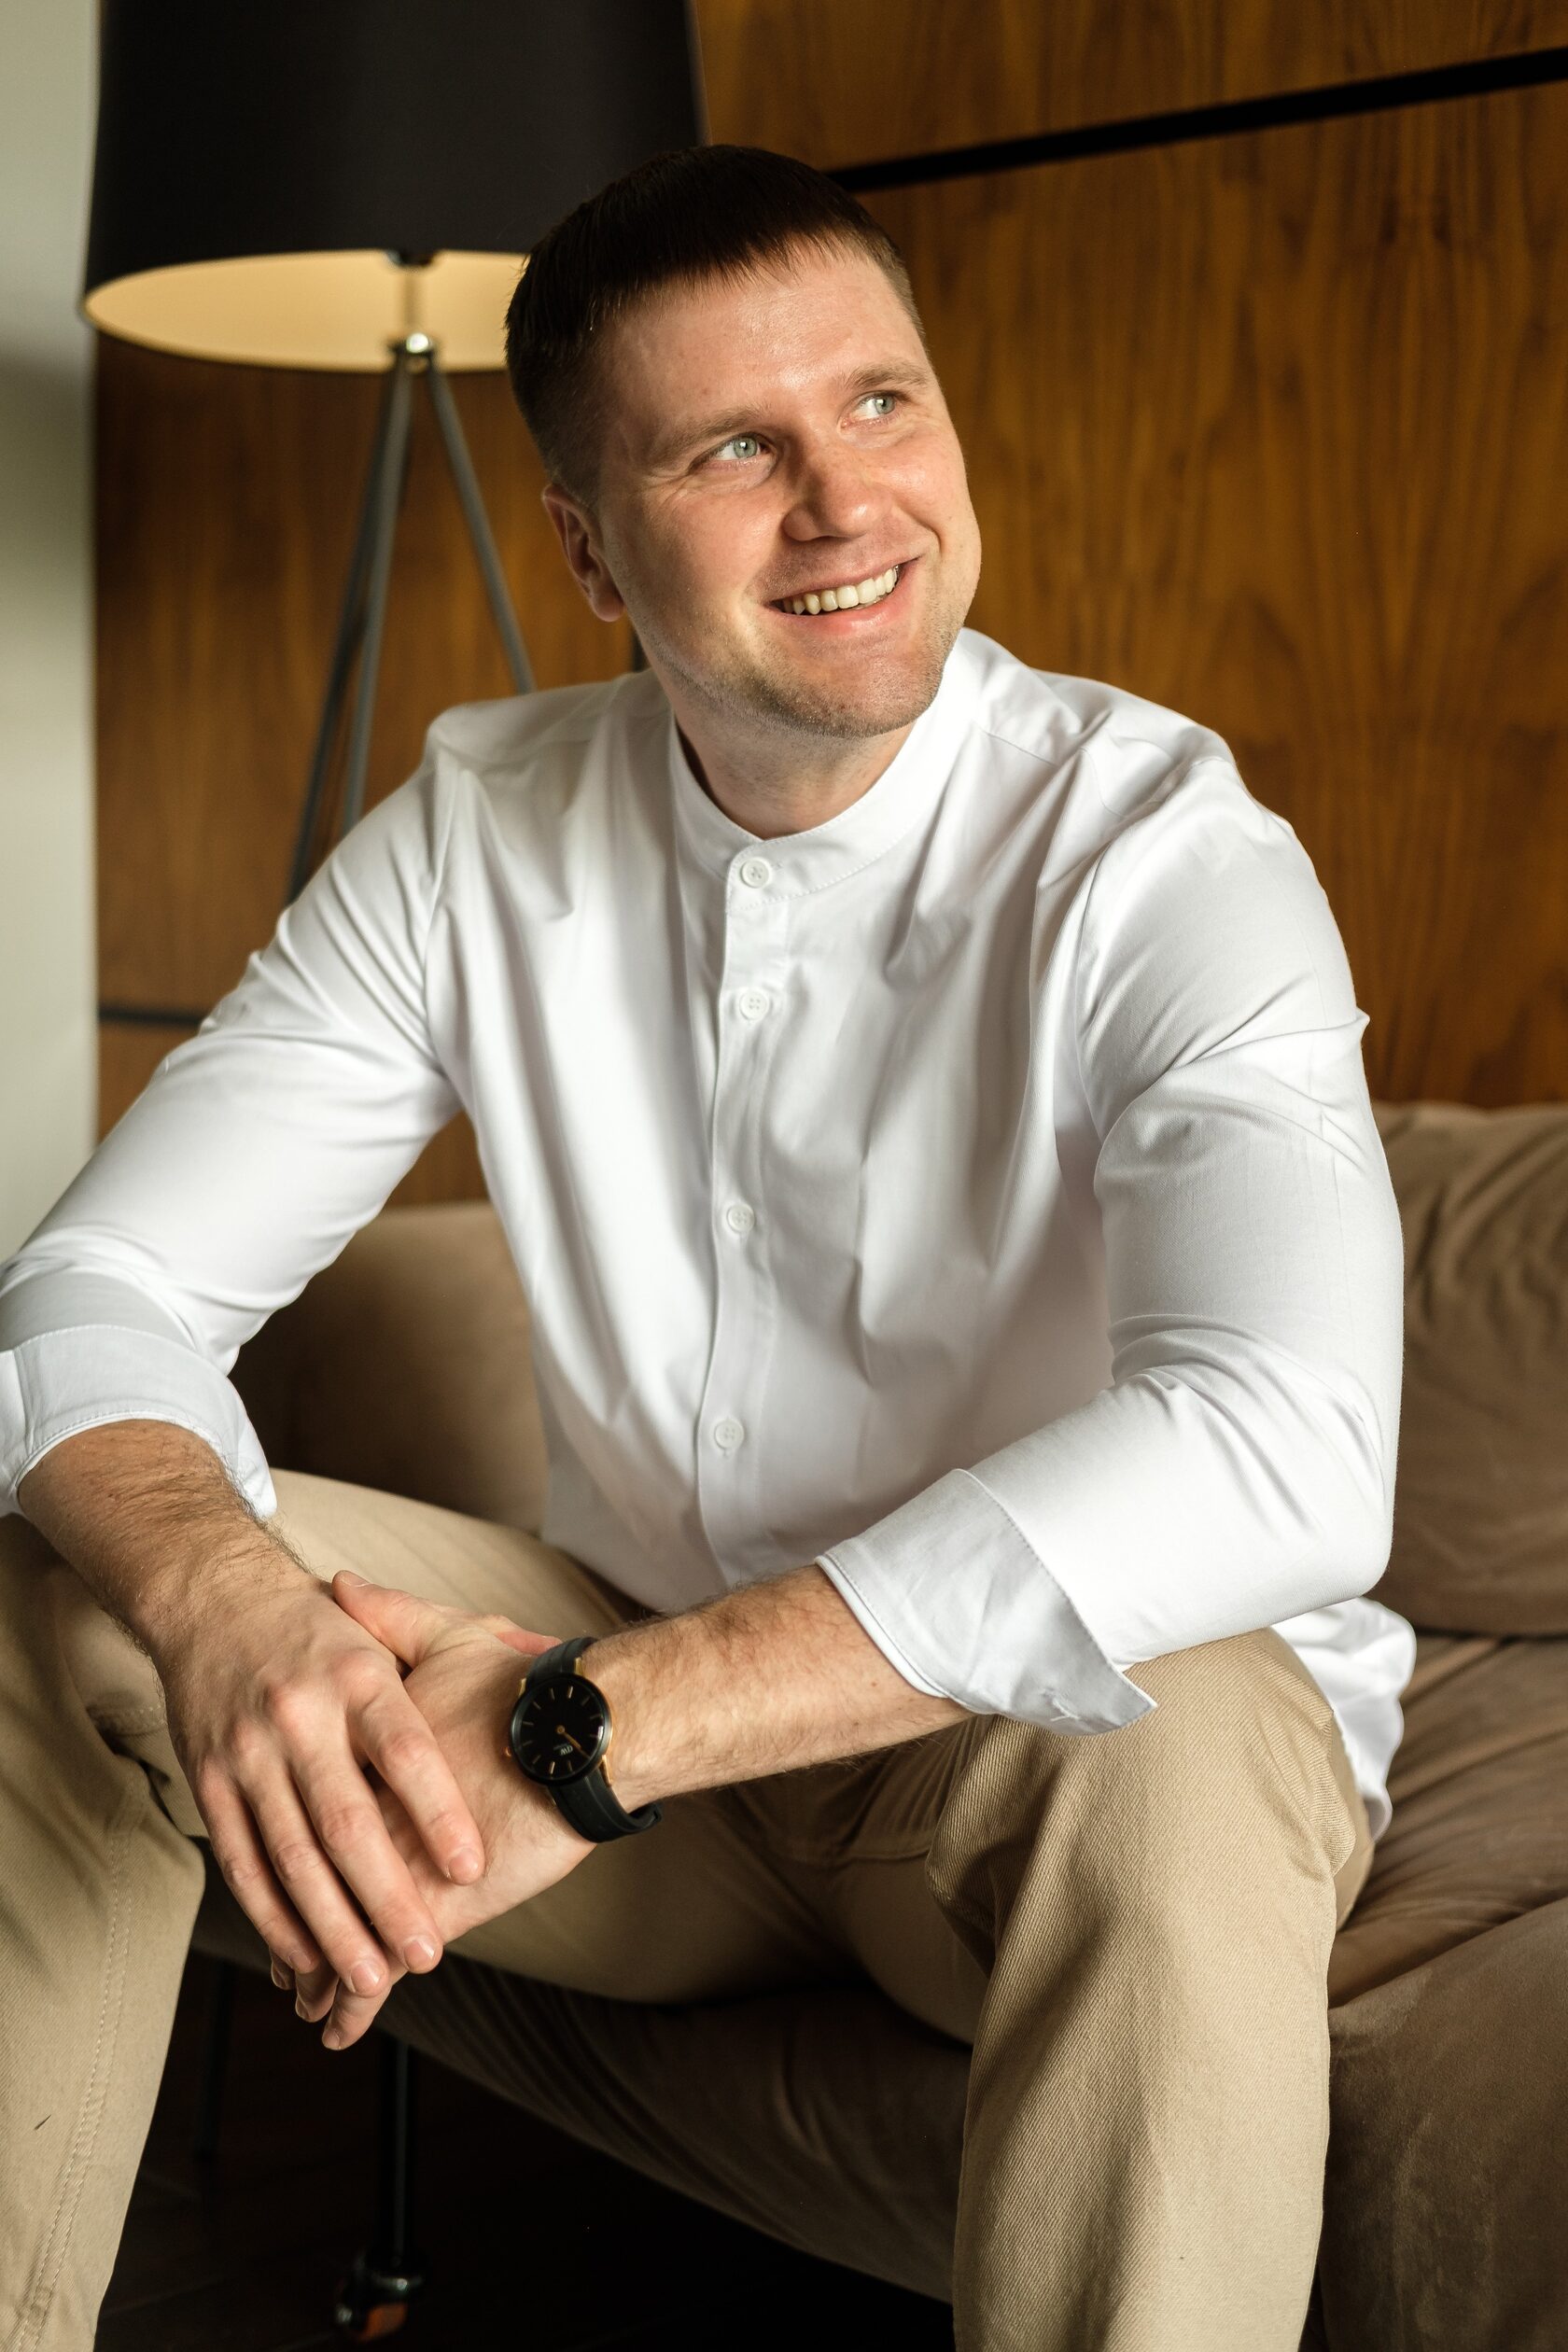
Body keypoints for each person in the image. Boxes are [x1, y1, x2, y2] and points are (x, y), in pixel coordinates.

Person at [0, 143, 1415, 2350]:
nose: (847, 505)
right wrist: (223, 1605)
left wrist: (595, 1725)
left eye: (880, 404)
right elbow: (92, 1293)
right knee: (69, 1588)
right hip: (656, 1755)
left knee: (1180, 1736)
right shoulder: (477, 831)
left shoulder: (1165, 851)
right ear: (587, 548)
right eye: (735, 450)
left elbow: (1285, 1448)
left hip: (1024, 1776)